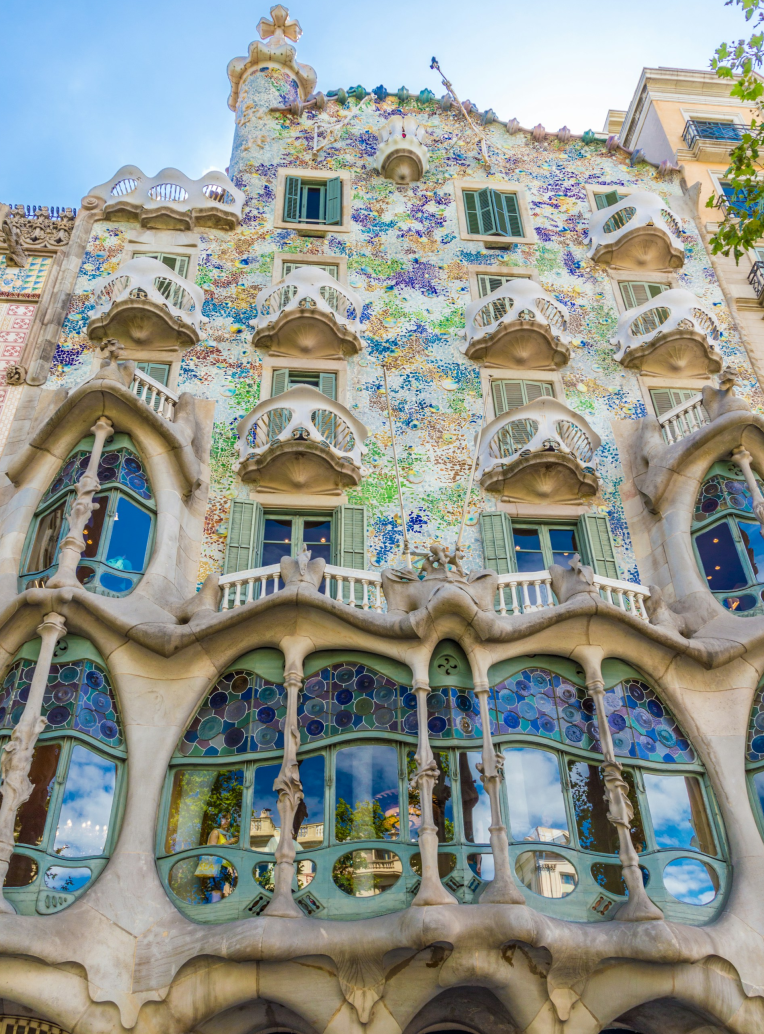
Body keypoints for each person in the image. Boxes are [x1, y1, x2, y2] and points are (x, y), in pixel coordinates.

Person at [194, 812, 237, 902]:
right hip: (216, 866)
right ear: (219, 820)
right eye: (223, 818)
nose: (226, 821)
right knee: (215, 891)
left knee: (222, 892)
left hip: (225, 868)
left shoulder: (229, 835)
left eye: (228, 819)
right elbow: (211, 850)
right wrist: (229, 842)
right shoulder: (216, 832)